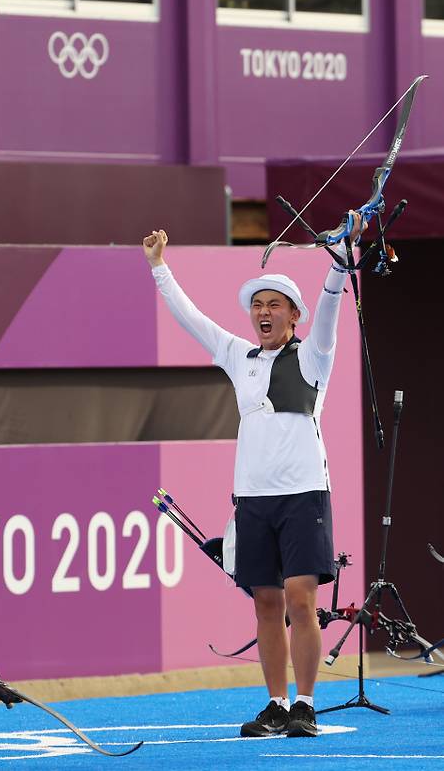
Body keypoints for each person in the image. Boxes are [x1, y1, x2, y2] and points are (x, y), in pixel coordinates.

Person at [142, 217, 365, 738]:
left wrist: (337, 262)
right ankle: (277, 704)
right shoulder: (236, 354)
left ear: (292, 316)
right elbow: (192, 319)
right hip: (253, 500)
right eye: (257, 306)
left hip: (304, 496)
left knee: (300, 600)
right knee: (266, 604)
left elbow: (330, 309)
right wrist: (159, 268)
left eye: (274, 306)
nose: (263, 313)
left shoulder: (313, 357)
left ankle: (306, 704)